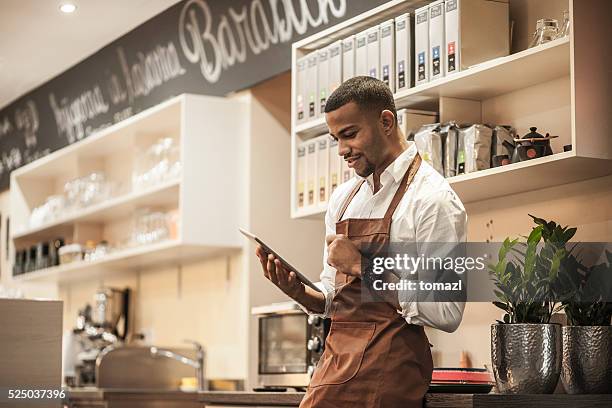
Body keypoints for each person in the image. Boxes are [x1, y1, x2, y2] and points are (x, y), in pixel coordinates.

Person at [256, 76, 467, 407]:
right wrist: (300, 293)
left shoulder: (432, 200)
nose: (341, 150)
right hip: (334, 367)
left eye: (350, 134)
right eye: (335, 138)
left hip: (390, 372)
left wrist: (364, 267)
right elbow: (333, 297)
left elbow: (447, 310)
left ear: (385, 121)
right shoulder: (344, 199)